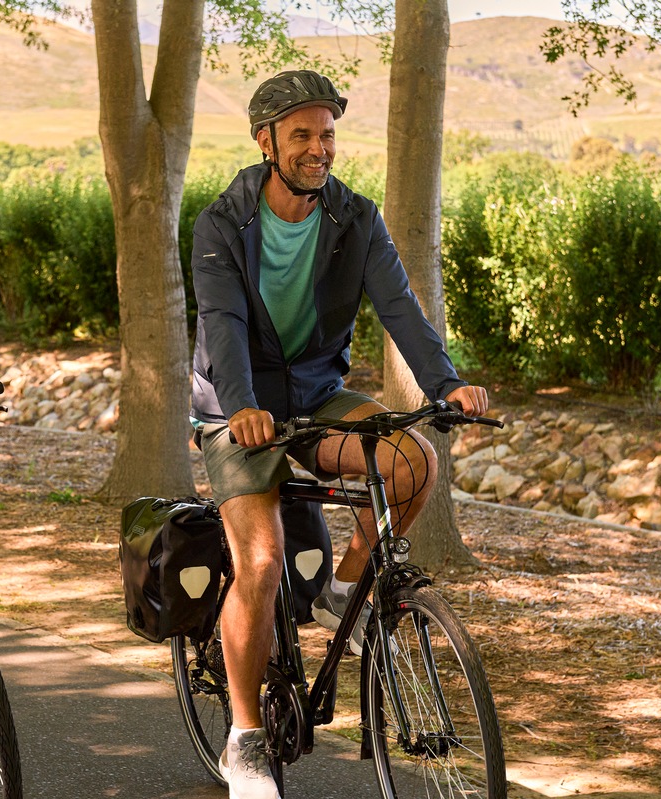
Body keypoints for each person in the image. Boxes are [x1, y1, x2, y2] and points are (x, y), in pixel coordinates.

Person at [189, 70, 489, 799]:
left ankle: (342, 588)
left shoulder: (356, 217)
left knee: (411, 463)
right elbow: (222, 326)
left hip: (316, 397)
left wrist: (444, 384)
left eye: (327, 134)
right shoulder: (221, 223)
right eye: (302, 135)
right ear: (265, 141)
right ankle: (244, 738)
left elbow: (402, 308)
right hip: (237, 411)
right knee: (258, 563)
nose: (319, 148)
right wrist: (240, 405)